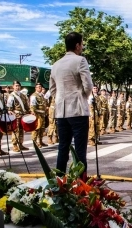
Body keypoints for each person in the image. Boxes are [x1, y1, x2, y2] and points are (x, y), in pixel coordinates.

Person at [49, 32, 93, 176]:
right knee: (80, 150)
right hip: (78, 110)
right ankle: (81, 184)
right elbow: (88, 85)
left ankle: (59, 182)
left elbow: (52, 89)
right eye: (82, 43)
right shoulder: (80, 60)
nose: (83, 46)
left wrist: (61, 98)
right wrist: (82, 97)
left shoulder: (55, 65)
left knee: (63, 147)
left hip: (61, 112)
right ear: (77, 45)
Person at [7, 80, 30, 152]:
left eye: (18, 86)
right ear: (13, 86)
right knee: (16, 130)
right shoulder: (11, 95)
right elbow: (9, 107)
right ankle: (14, 145)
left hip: (22, 115)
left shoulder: (23, 95)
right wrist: (10, 112)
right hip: (16, 115)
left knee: (21, 130)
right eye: (16, 86)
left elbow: (26, 105)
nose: (17, 87)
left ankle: (20, 144)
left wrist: (29, 111)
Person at [30, 82, 48, 148]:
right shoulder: (34, 95)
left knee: (42, 129)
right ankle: (34, 142)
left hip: (42, 114)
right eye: (38, 87)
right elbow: (32, 105)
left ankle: (40, 141)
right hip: (37, 114)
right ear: (35, 88)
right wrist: (33, 112)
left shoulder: (42, 95)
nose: (39, 88)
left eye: (40, 87)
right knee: (36, 129)